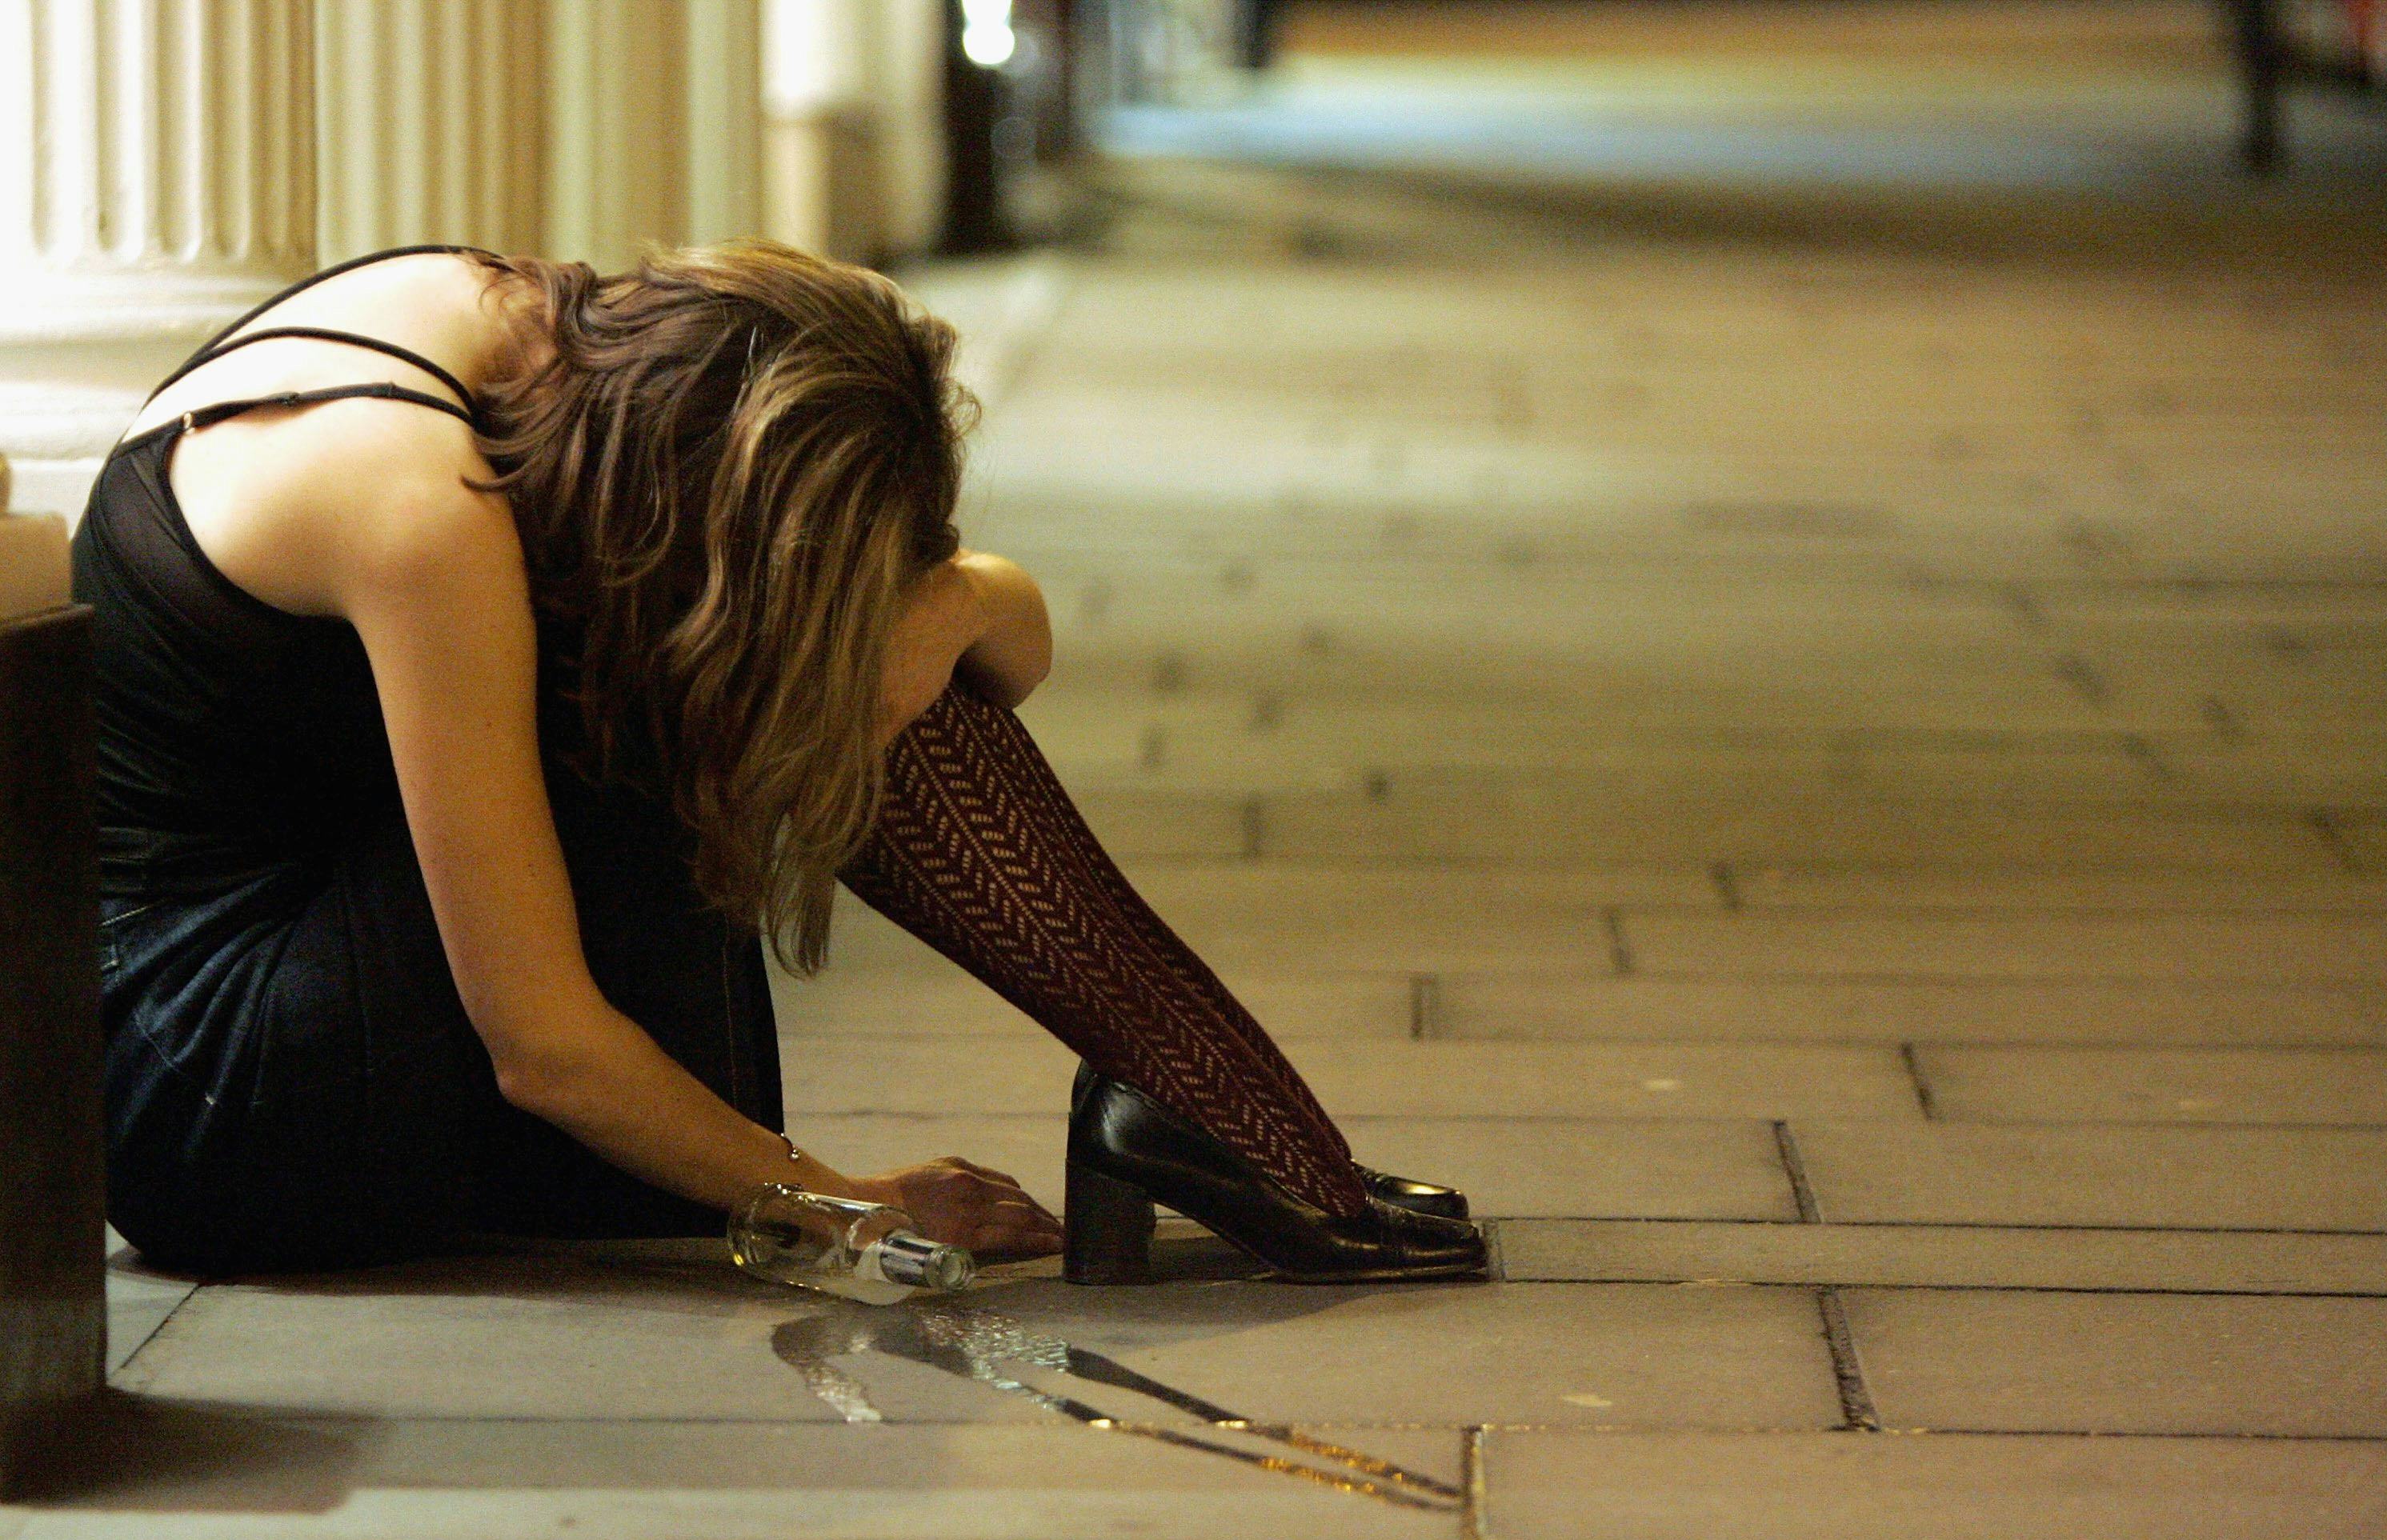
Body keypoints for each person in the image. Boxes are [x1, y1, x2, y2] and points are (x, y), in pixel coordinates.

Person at [77, 242, 1485, 1284]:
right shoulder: (420, 513)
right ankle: (1203, 1108)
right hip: (214, 1084)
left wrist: (949, 598)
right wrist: (847, 1203)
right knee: (719, 669)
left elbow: (1010, 644)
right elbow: (542, 1043)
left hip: (350, 939)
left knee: (827, 654)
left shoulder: (548, 350)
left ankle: (1190, 1094)